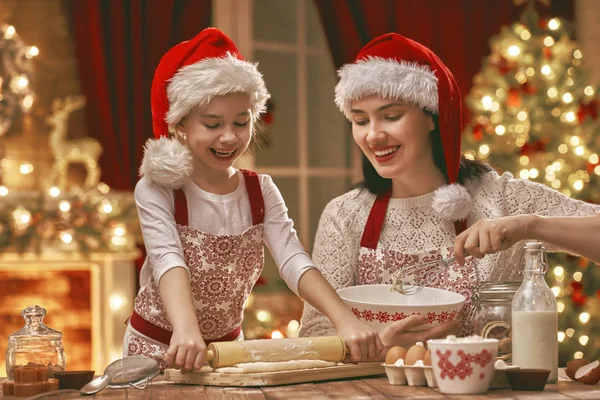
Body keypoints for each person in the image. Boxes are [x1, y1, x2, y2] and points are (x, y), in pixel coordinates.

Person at [299, 32, 600, 346]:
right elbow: (315, 334)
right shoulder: (345, 215)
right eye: (360, 121)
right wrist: (379, 347)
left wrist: (529, 226)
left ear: (432, 117)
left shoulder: (500, 198)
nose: (373, 136)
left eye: (391, 116)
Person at [124, 28, 382, 372]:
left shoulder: (261, 190)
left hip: (228, 354)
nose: (229, 136)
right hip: (160, 347)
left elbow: (293, 260)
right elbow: (168, 259)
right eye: (212, 124)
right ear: (180, 124)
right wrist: (186, 331)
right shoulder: (159, 189)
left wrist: (343, 319)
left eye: (241, 122)